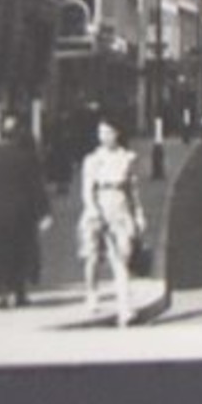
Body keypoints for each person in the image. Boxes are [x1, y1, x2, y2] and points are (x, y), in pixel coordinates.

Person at [0, 111, 52, 309]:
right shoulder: (26, 157)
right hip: (22, 213)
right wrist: (44, 212)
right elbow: (36, 186)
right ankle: (19, 293)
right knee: (20, 252)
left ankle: (1, 294)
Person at [78, 115, 146, 325]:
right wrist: (92, 210)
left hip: (120, 208)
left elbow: (133, 190)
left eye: (108, 132)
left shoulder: (128, 158)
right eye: (101, 133)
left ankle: (125, 309)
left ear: (117, 133)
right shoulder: (92, 160)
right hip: (99, 208)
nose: (104, 136)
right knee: (93, 258)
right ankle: (92, 293)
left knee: (122, 258)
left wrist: (139, 215)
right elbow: (87, 190)